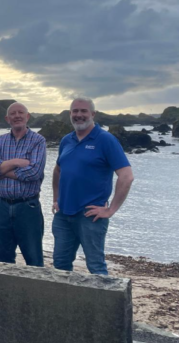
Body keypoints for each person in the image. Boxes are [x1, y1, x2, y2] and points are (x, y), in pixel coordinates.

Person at [52, 98, 133, 275]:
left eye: (83, 111)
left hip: (90, 215)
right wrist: (55, 199)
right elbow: (58, 170)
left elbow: (126, 176)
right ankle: (64, 302)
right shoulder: (67, 140)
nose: (79, 115)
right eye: (75, 111)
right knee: (60, 265)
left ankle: (105, 303)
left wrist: (111, 210)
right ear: (70, 114)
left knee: (96, 267)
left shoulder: (105, 140)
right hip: (63, 215)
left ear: (93, 114)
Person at [0, 102, 46, 266]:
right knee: (3, 260)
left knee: (33, 259)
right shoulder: (0, 141)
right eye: (13, 113)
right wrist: (17, 162)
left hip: (28, 207)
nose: (17, 116)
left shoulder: (38, 141)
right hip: (3, 207)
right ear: (7, 119)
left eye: (21, 113)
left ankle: (36, 291)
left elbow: (34, 173)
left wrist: (3, 170)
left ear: (27, 117)